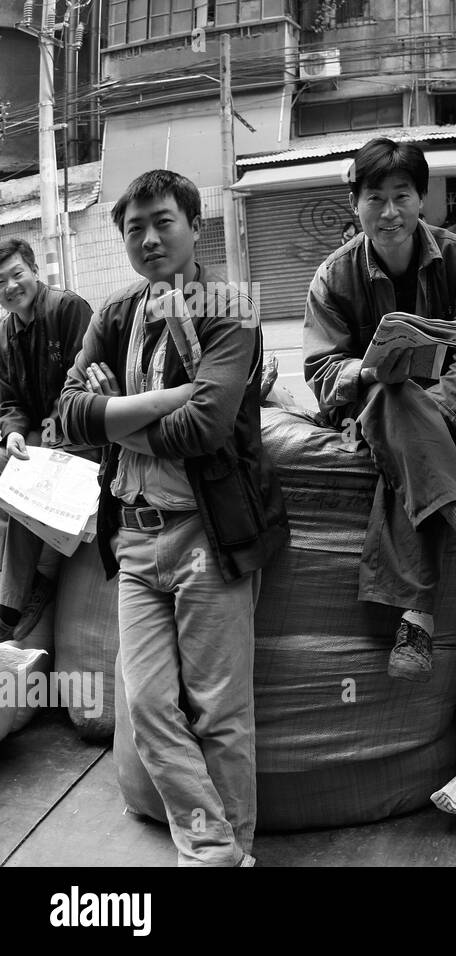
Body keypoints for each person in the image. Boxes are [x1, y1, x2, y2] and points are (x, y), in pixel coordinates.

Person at [58, 169, 289, 866]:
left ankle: (219, 854)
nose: (150, 238)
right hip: (134, 541)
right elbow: (66, 418)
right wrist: (155, 404)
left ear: (195, 227)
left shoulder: (229, 305)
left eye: (164, 222)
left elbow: (207, 427)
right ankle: (216, 846)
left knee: (220, 714)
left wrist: (111, 418)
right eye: (135, 228)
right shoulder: (116, 314)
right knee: (150, 705)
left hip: (205, 536)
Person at [303, 137, 456, 683]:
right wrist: (370, 371)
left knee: (404, 413)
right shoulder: (333, 277)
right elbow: (323, 373)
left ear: (423, 199)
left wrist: (429, 420)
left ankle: (416, 615)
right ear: (356, 205)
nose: (390, 212)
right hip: (369, 405)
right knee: (390, 394)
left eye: (403, 196)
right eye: (376, 198)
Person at [0, 238, 93, 645]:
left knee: (29, 476)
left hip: (80, 425)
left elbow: (87, 375)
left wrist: (53, 427)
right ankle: (16, 587)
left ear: (34, 271)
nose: (9, 287)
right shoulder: (5, 332)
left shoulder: (67, 308)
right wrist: (13, 431)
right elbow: (8, 399)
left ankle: (12, 600)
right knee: (18, 459)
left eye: (16, 274)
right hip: (39, 430)